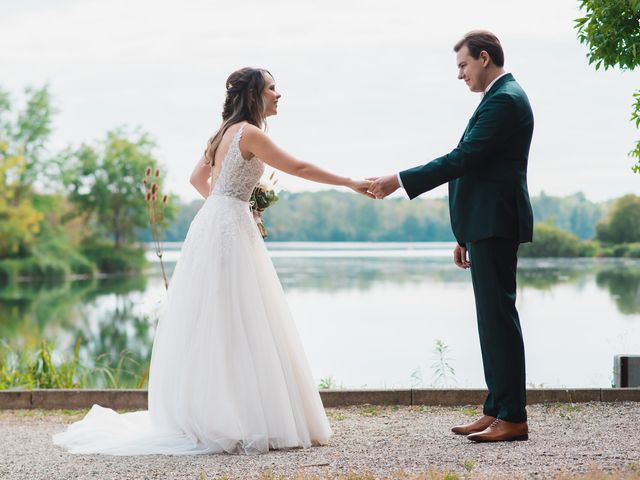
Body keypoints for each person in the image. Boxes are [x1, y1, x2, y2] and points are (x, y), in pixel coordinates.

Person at [52, 67, 371, 455]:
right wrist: (350, 182)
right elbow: (299, 168)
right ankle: (242, 415)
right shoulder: (249, 133)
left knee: (219, 316)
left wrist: (229, 205)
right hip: (228, 224)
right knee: (241, 314)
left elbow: (195, 179)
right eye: (272, 88)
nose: (278, 94)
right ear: (255, 95)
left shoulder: (223, 133)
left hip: (212, 223)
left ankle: (221, 414)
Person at [368, 30, 534, 443]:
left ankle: (513, 416)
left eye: (462, 65)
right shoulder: (496, 99)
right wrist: (464, 233)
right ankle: (496, 408)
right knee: (490, 321)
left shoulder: (506, 100)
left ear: (483, 58)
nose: (460, 75)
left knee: (499, 319)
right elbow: (477, 169)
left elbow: (463, 160)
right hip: (484, 223)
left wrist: (401, 180)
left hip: (496, 222)